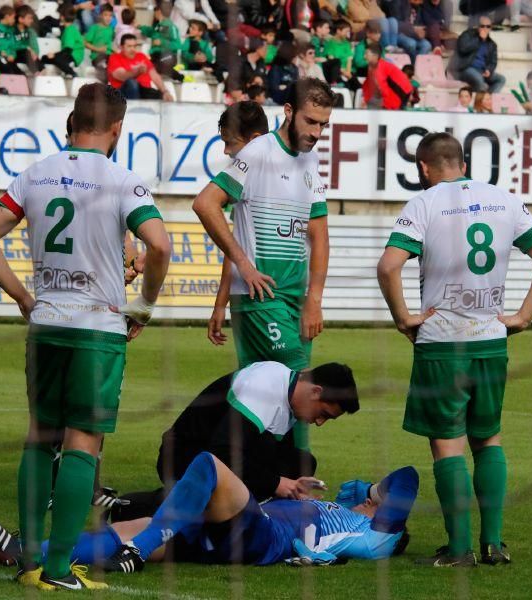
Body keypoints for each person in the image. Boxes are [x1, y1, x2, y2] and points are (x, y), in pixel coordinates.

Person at [0, 83, 172, 591]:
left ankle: (29, 560)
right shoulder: (122, 180)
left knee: (40, 436)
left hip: (47, 324)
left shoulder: (34, 174)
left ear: (70, 124)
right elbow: (161, 245)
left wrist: (22, 296)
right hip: (96, 330)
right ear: (118, 130)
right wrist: (142, 305)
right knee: (84, 442)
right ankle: (58, 571)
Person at [377, 132, 532, 566]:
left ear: (424, 167)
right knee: (488, 438)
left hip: (443, 342)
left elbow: (388, 265)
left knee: (447, 445)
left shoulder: (424, 203)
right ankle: (493, 544)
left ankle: (459, 549)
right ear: (461, 161)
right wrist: (523, 316)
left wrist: (403, 317)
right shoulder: (504, 199)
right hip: (491, 342)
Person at [193, 78, 335, 453]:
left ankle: (243, 470)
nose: (316, 132)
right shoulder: (258, 152)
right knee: (300, 381)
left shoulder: (311, 159)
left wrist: (314, 299)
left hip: (294, 299)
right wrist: (244, 263)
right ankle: (297, 470)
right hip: (260, 295)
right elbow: (205, 204)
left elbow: (319, 235)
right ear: (288, 112)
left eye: (323, 124)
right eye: (310, 121)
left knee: (260, 390)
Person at [0, 455, 418, 572]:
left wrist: (376, 496)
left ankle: (137, 555)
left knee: (208, 465)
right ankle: (26, 550)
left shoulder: (375, 535)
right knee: (136, 527)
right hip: (231, 535)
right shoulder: (338, 508)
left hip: (263, 539)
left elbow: (409, 476)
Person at [110, 360, 360, 521]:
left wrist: (293, 485)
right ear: (315, 392)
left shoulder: (290, 392)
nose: (319, 423)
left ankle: (257, 510)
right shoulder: (264, 387)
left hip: (221, 452)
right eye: (324, 414)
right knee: (228, 506)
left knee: (301, 463)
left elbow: (270, 455)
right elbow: (222, 453)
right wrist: (276, 483)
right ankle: (131, 507)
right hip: (183, 458)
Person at [207, 101, 270, 346]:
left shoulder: (299, 171)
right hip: (254, 298)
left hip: (284, 297)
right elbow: (233, 248)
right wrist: (220, 304)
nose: (225, 151)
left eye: (230, 142)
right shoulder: (244, 179)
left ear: (255, 140)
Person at [107, 34, 175, 100]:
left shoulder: (141, 56)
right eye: (129, 46)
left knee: (162, 96)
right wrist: (137, 72)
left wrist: (165, 91)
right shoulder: (114, 57)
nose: (133, 49)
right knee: (132, 83)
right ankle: (135, 109)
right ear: (121, 47)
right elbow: (121, 76)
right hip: (122, 95)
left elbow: (155, 76)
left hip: (145, 92)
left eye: (134, 46)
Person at [448, 16, 505, 93]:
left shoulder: (492, 44)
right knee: (479, 81)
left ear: (490, 28)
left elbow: (493, 62)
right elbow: (463, 49)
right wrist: (479, 39)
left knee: (501, 79)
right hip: (465, 68)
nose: (485, 28)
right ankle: (481, 96)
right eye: (482, 26)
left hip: (482, 71)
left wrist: (489, 70)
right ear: (478, 26)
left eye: (488, 26)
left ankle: (489, 99)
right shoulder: (467, 35)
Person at [362, 42, 415, 109]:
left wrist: (385, 107)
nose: (364, 57)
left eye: (366, 54)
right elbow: (368, 84)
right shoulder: (373, 67)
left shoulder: (379, 68)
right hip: (400, 90)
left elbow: (383, 89)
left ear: (375, 56)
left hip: (403, 91)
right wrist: (365, 99)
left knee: (392, 114)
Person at [0, 5, 20, 75]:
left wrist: (13, 55)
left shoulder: (11, 30)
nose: (14, 20)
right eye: (13, 17)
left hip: (9, 59)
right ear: (7, 17)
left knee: (20, 74)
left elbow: (13, 46)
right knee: (7, 70)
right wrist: (0, 51)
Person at [84, 4, 115, 71]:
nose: (108, 18)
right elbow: (85, 43)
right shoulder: (94, 28)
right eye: (105, 15)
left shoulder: (111, 29)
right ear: (100, 15)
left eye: (110, 15)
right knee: (105, 66)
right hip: (98, 57)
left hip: (109, 56)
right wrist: (97, 49)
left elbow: (109, 45)